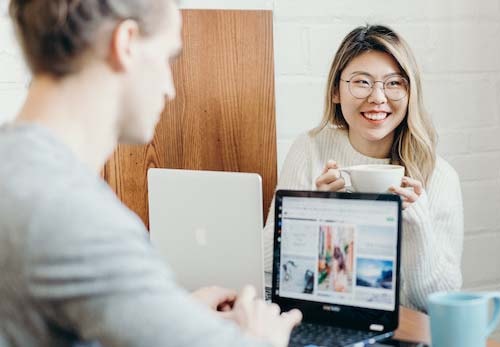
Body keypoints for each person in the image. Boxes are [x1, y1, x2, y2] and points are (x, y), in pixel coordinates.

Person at [0, 1, 300, 346]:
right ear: (125, 42)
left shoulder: (16, 169)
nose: (169, 88)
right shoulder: (75, 214)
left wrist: (171, 313)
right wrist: (261, 338)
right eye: (167, 58)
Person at [263, 25, 464, 312]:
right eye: (362, 82)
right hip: (323, 325)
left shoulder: (440, 177)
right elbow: (267, 269)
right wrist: (312, 214)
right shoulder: (310, 150)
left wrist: (418, 227)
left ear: (410, 94)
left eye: (394, 83)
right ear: (336, 91)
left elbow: (438, 304)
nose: (378, 98)